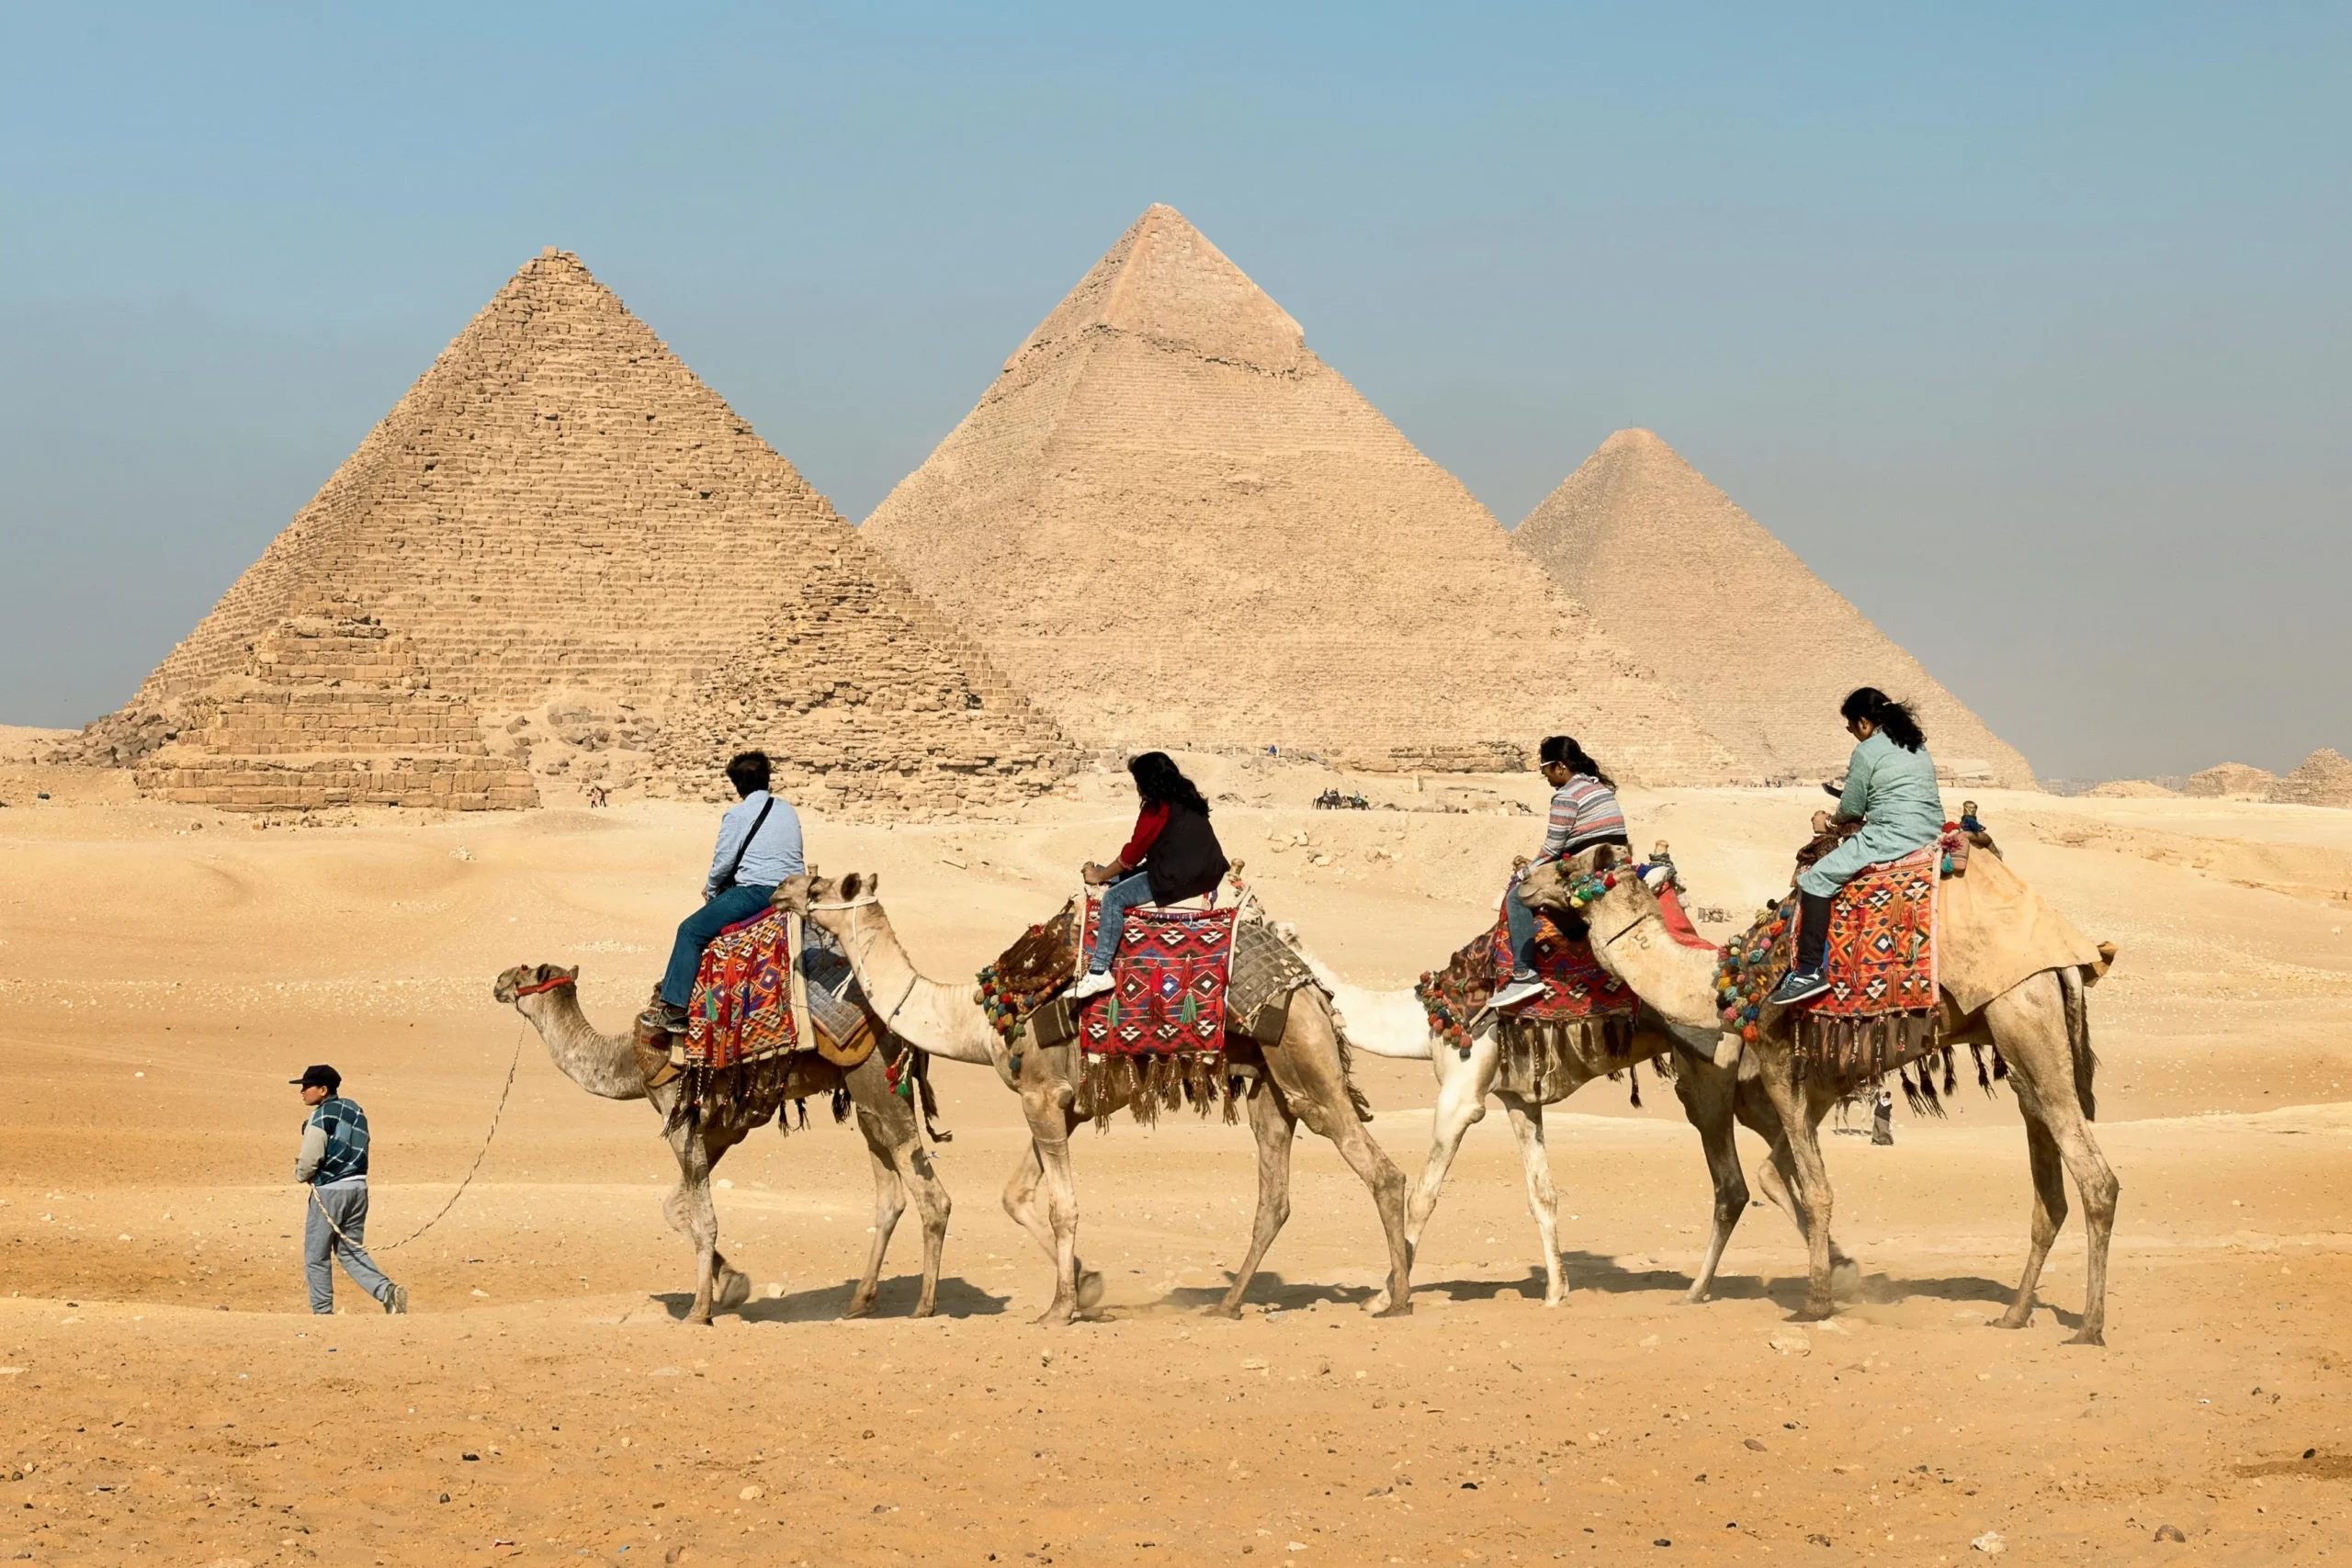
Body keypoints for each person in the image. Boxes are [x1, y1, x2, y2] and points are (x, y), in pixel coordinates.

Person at [1769, 688, 1944, 1006]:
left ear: (1863, 722)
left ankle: (1809, 972)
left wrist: (1830, 822)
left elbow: (1851, 808)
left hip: (1893, 834)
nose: (1850, 732)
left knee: (1816, 879)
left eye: (1850, 725)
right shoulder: (1915, 745)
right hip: (1930, 831)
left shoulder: (1867, 751)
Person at [644, 750, 805, 1033]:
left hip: (757, 894)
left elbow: (723, 864)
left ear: (737, 786)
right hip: (794, 892)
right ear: (768, 780)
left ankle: (674, 1011)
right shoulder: (787, 809)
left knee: (690, 931)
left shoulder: (737, 814)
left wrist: (712, 889)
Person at [1065, 753, 1229, 1001]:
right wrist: (1109, 871)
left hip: (1180, 877)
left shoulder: (1157, 809)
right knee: (1120, 876)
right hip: (1207, 869)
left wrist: (1099, 876)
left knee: (1113, 897)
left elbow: (1131, 855)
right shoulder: (1186, 796)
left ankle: (1099, 971)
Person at [1488, 737, 1630, 1012]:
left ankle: (1524, 975)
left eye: (1547, 771)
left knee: (1518, 897)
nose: (1547, 778)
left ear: (1561, 767)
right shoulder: (1598, 787)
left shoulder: (1565, 796)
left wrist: (1525, 873)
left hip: (1589, 869)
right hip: (1617, 862)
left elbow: (1553, 847)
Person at [291, 1065, 407, 1315]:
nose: (302, 1092)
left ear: (323, 1090)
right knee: (350, 1249)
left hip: (331, 1191)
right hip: (359, 1188)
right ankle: (387, 1292)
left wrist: (301, 1174)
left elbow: (311, 1157)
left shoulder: (322, 1116)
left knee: (316, 1254)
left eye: (306, 1087)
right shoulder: (356, 1110)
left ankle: (322, 1312)